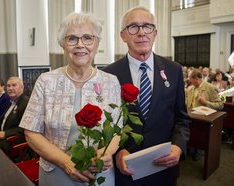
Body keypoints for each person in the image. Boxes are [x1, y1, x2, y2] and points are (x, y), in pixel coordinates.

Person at [19, 12, 122, 186]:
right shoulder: (46, 81)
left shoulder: (111, 82)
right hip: (56, 173)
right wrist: (66, 163)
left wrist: (107, 152)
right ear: (63, 44)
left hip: (98, 174)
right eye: (72, 38)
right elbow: (31, 131)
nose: (80, 45)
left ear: (96, 44)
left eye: (88, 38)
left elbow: (117, 128)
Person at [103, 6, 191, 186]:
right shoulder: (109, 75)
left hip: (163, 170)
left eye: (147, 26)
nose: (141, 32)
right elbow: (106, 124)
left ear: (155, 33)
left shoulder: (173, 70)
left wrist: (178, 147)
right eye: (133, 27)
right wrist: (117, 151)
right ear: (123, 35)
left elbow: (182, 119)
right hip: (125, 172)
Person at [0, 77, 29, 154]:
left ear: (22, 87)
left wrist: (6, 133)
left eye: (14, 85)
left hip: (13, 142)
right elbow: (5, 119)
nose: (10, 88)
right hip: (2, 138)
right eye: (8, 86)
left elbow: (25, 129)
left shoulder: (26, 103)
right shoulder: (11, 101)